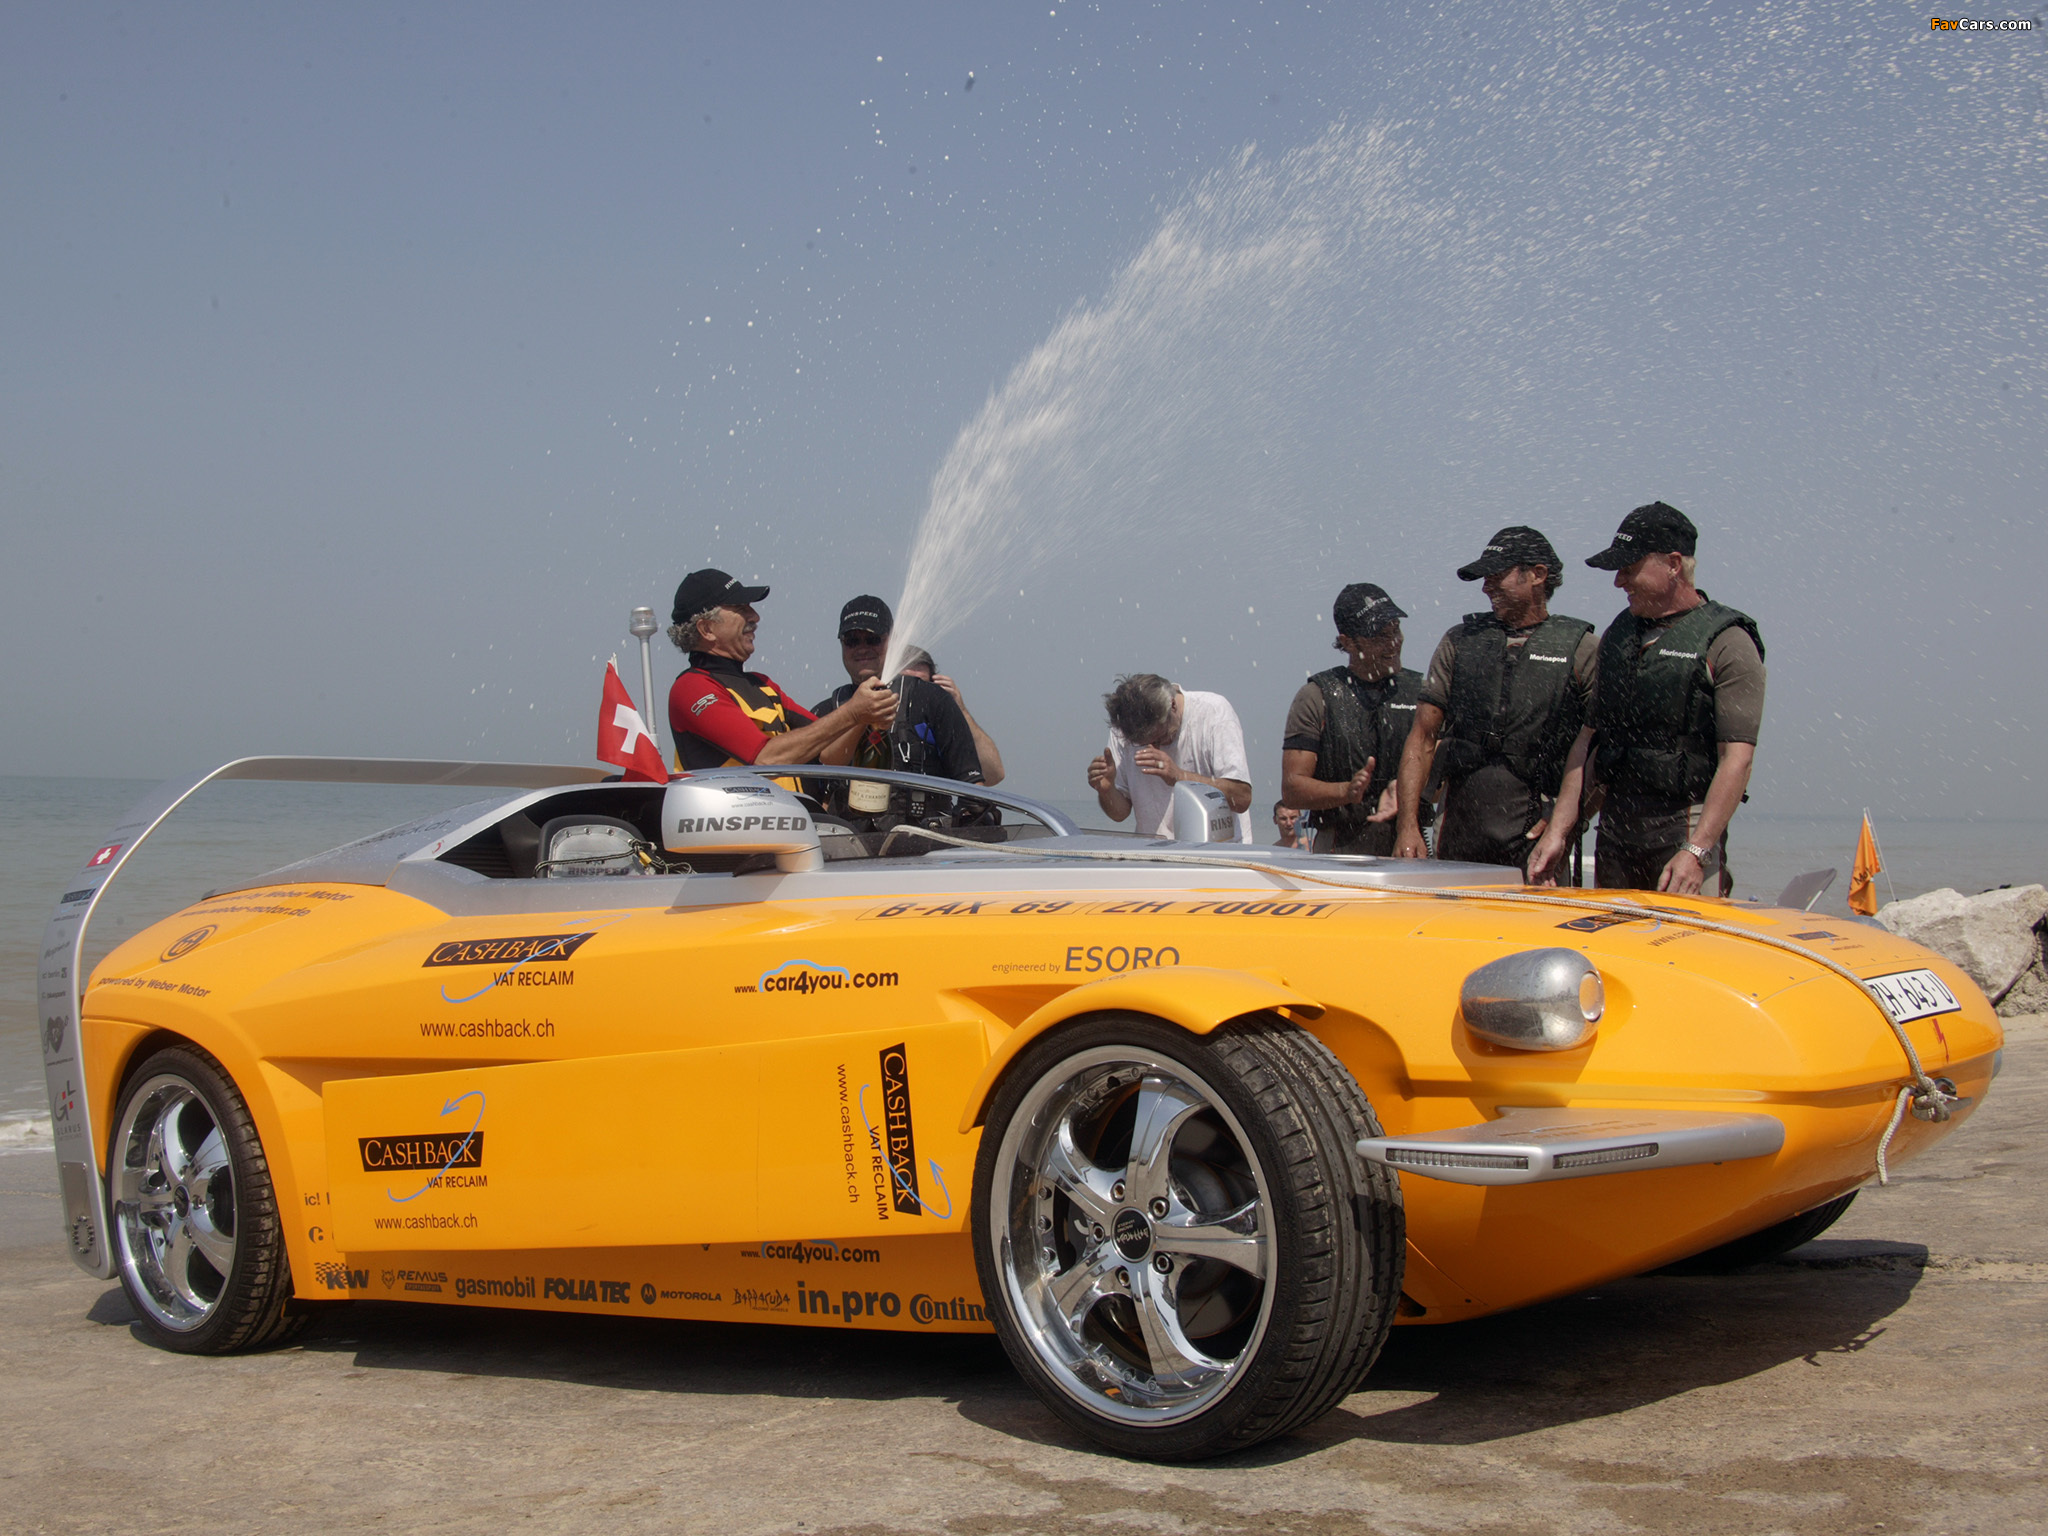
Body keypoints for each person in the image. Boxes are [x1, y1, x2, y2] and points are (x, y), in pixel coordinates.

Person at [1528, 502, 1766, 895]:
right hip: (1618, 827)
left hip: (1684, 826)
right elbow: (1587, 742)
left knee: (1681, 934)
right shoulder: (1618, 636)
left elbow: (1737, 761)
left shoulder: (1728, 643)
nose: (1618, 581)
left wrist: (1697, 851)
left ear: (1673, 564)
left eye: (1629, 567)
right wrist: (1559, 830)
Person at [1393, 529, 1596, 875]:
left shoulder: (1582, 649)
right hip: (1460, 830)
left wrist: (1566, 825)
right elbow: (1423, 737)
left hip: (1537, 838)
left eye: (1496, 575)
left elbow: (1600, 752)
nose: (1486, 587)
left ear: (1538, 574)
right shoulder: (1459, 642)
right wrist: (1407, 825)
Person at [666, 568, 895, 770]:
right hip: (741, 808)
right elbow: (766, 759)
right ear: (706, 629)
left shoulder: (763, 685)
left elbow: (830, 754)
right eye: (740, 608)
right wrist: (852, 712)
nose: (755, 616)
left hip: (789, 807)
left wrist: (863, 716)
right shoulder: (691, 688)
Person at [811, 596, 988, 824]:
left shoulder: (932, 700)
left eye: (873, 639)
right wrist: (859, 715)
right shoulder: (823, 712)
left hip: (922, 841)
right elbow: (811, 796)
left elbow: (972, 785)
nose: (862, 648)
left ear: (892, 641)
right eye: (852, 640)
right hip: (846, 842)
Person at [1279, 583, 1421, 856]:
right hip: (1339, 848)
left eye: (1396, 629)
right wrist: (1347, 792)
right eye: (1380, 636)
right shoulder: (1316, 697)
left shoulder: (1421, 694)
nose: (1394, 642)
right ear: (1347, 642)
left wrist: (1406, 787)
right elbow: (1292, 789)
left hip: (1408, 845)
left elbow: (1441, 783)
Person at [1086, 674, 1253, 842]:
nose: (1155, 747)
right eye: (1142, 744)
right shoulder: (1124, 728)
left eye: (1160, 737)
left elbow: (1241, 798)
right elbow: (1120, 814)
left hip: (1219, 853)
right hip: (1154, 853)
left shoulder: (1213, 712)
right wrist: (1106, 791)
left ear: (1172, 705)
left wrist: (1180, 777)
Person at [895, 645, 1005, 785]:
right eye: (904, 684)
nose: (911, 692)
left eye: (921, 685)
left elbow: (992, 774)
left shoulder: (940, 719)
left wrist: (960, 708)